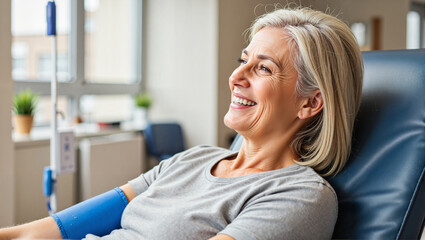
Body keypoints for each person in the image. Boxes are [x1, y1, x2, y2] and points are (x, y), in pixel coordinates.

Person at [0, 6, 363, 240]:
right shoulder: (191, 160)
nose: (237, 75)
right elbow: (51, 230)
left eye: (263, 68)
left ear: (310, 102)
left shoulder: (300, 197)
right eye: (244, 60)